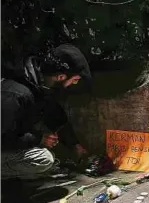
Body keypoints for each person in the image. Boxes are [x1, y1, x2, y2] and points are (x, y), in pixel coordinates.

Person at [1, 44, 91, 181]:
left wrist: (75, 146)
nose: (74, 84)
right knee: (44, 159)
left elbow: (55, 116)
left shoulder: (39, 83)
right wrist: (39, 139)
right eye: (75, 80)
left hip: (9, 134)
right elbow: (4, 137)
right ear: (61, 76)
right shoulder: (15, 93)